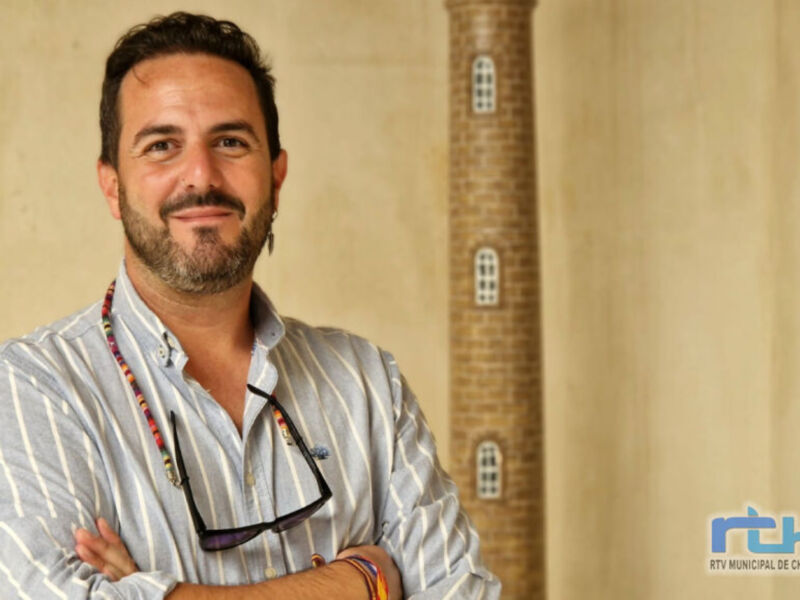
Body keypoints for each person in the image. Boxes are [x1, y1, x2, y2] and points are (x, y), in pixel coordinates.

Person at [0, 11, 500, 600]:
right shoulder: (34, 389)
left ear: (276, 176)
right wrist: (360, 581)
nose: (201, 175)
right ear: (112, 185)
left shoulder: (367, 385)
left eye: (231, 142)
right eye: (161, 146)